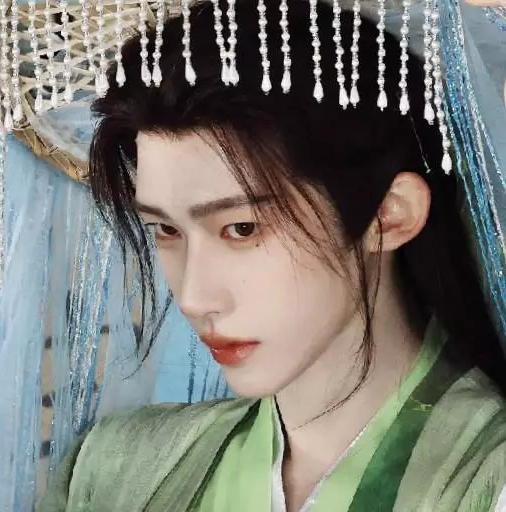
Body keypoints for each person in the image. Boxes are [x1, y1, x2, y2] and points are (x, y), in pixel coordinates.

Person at [38, 0, 506, 510]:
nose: (194, 298)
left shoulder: (488, 479)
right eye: (166, 230)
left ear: (390, 215)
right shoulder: (113, 470)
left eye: (241, 229)